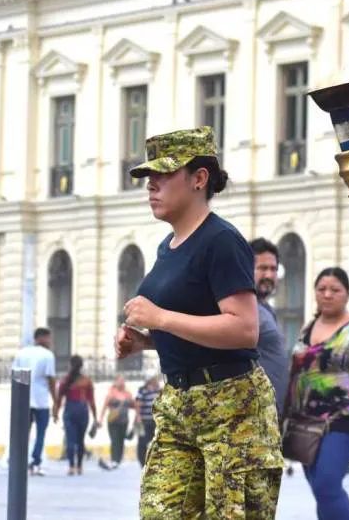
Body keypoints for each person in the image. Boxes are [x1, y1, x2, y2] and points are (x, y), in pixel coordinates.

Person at [116, 127, 283, 519]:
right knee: (159, 513)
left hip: (233, 409)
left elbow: (244, 330)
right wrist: (146, 341)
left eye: (163, 174)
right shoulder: (168, 246)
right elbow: (197, 323)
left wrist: (159, 317)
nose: (151, 185)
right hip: (178, 405)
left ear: (199, 178)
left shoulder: (221, 240)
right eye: (147, 178)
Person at [284, 267, 349, 520]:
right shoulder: (307, 328)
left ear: (347, 294)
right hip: (305, 425)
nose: (327, 294)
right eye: (321, 289)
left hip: (342, 422)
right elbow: (295, 373)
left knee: (327, 484)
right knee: (320, 489)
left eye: (335, 290)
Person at [249, 238, 290, 415]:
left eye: (273, 269)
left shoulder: (266, 309)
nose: (269, 275)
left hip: (271, 416)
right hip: (252, 416)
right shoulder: (242, 307)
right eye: (262, 268)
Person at [11, 327, 58, 476]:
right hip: (41, 401)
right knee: (40, 433)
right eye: (49, 338)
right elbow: (50, 380)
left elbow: (16, 376)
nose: (50, 341)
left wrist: (18, 399)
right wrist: (55, 402)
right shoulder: (47, 355)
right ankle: (35, 462)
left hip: (23, 400)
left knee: (23, 433)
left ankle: (20, 461)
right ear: (40, 338)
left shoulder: (22, 353)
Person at [53, 355, 97, 476]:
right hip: (83, 410)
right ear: (82, 366)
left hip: (69, 410)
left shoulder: (64, 381)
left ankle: (71, 467)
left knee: (70, 440)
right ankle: (79, 467)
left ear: (70, 365)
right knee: (81, 440)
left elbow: (58, 399)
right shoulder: (86, 381)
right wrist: (95, 417)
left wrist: (55, 413)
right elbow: (91, 401)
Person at [97, 375, 134, 469]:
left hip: (124, 421)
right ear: (116, 382)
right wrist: (100, 419)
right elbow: (104, 407)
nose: (122, 383)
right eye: (120, 381)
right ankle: (114, 459)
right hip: (113, 421)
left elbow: (133, 405)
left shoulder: (127, 394)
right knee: (114, 440)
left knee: (121, 440)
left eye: (123, 381)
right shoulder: (111, 394)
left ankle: (119, 459)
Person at [134, 371, 161, 467]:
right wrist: (138, 417)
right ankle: (142, 463)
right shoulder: (143, 390)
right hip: (144, 421)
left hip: (156, 421)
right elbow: (137, 405)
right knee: (142, 443)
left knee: (156, 442)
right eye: (155, 378)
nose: (156, 380)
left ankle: (154, 463)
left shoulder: (158, 389)